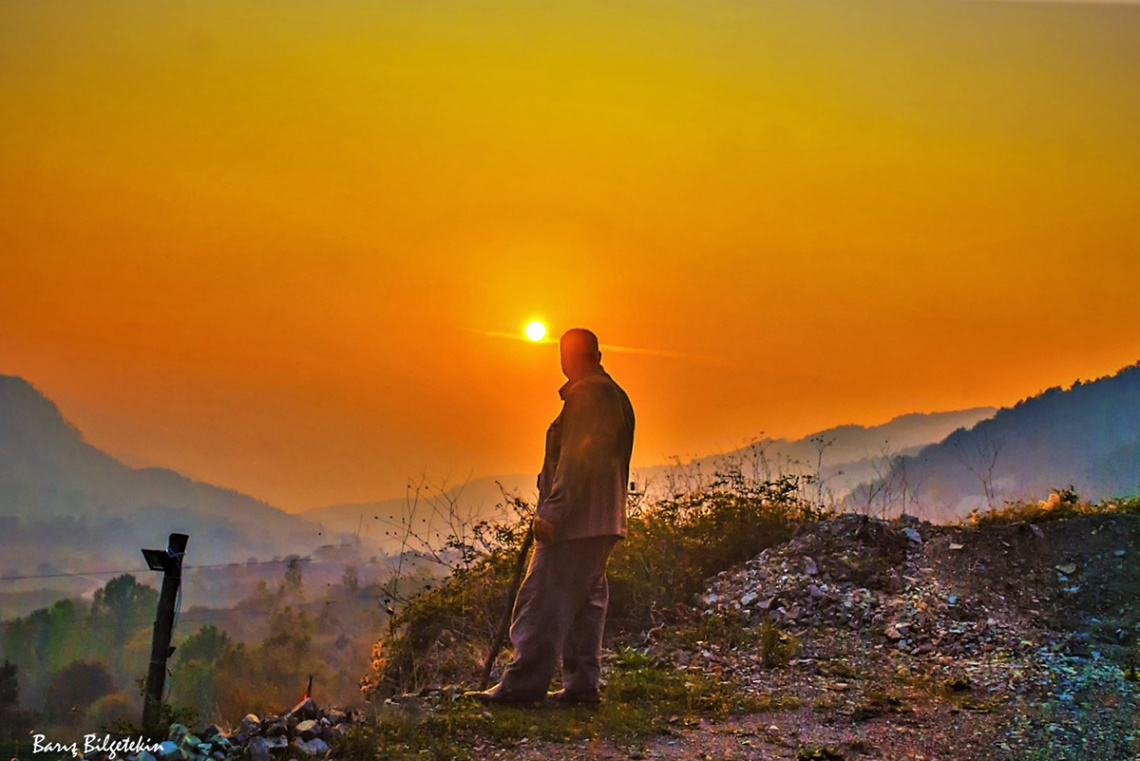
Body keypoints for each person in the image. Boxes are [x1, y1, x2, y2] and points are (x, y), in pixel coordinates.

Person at [468, 328, 635, 704]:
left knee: (542, 597)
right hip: (605, 520)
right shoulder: (616, 395)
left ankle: (523, 686)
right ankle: (581, 687)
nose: (564, 361)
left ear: (579, 357)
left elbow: (577, 459)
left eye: (567, 354)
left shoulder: (586, 393)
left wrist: (554, 512)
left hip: (577, 522)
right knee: (585, 602)